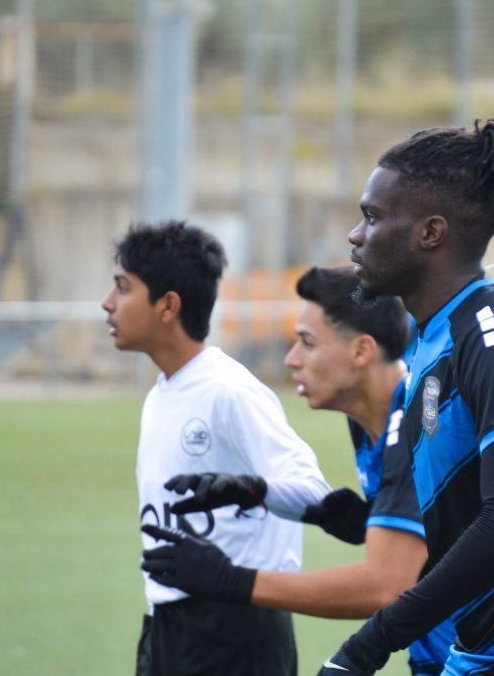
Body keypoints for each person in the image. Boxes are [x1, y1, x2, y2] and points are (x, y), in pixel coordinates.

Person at [318, 117, 494, 675]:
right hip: (486, 650)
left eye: (372, 217)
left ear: (430, 233)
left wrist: (372, 642)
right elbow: (463, 514)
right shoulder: (436, 337)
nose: (356, 236)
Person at [140, 265, 454, 675]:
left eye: (307, 343)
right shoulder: (374, 423)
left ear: (361, 351)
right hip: (445, 655)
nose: (291, 360)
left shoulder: (414, 423)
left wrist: (231, 581)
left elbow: (385, 586)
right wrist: (258, 491)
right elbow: (439, 546)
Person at [100, 221, 330, 676]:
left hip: (235, 634)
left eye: (123, 288)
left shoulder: (230, 391)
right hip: (167, 626)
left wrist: (249, 488)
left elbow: (314, 491)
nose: (108, 305)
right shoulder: (162, 394)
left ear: (168, 306)